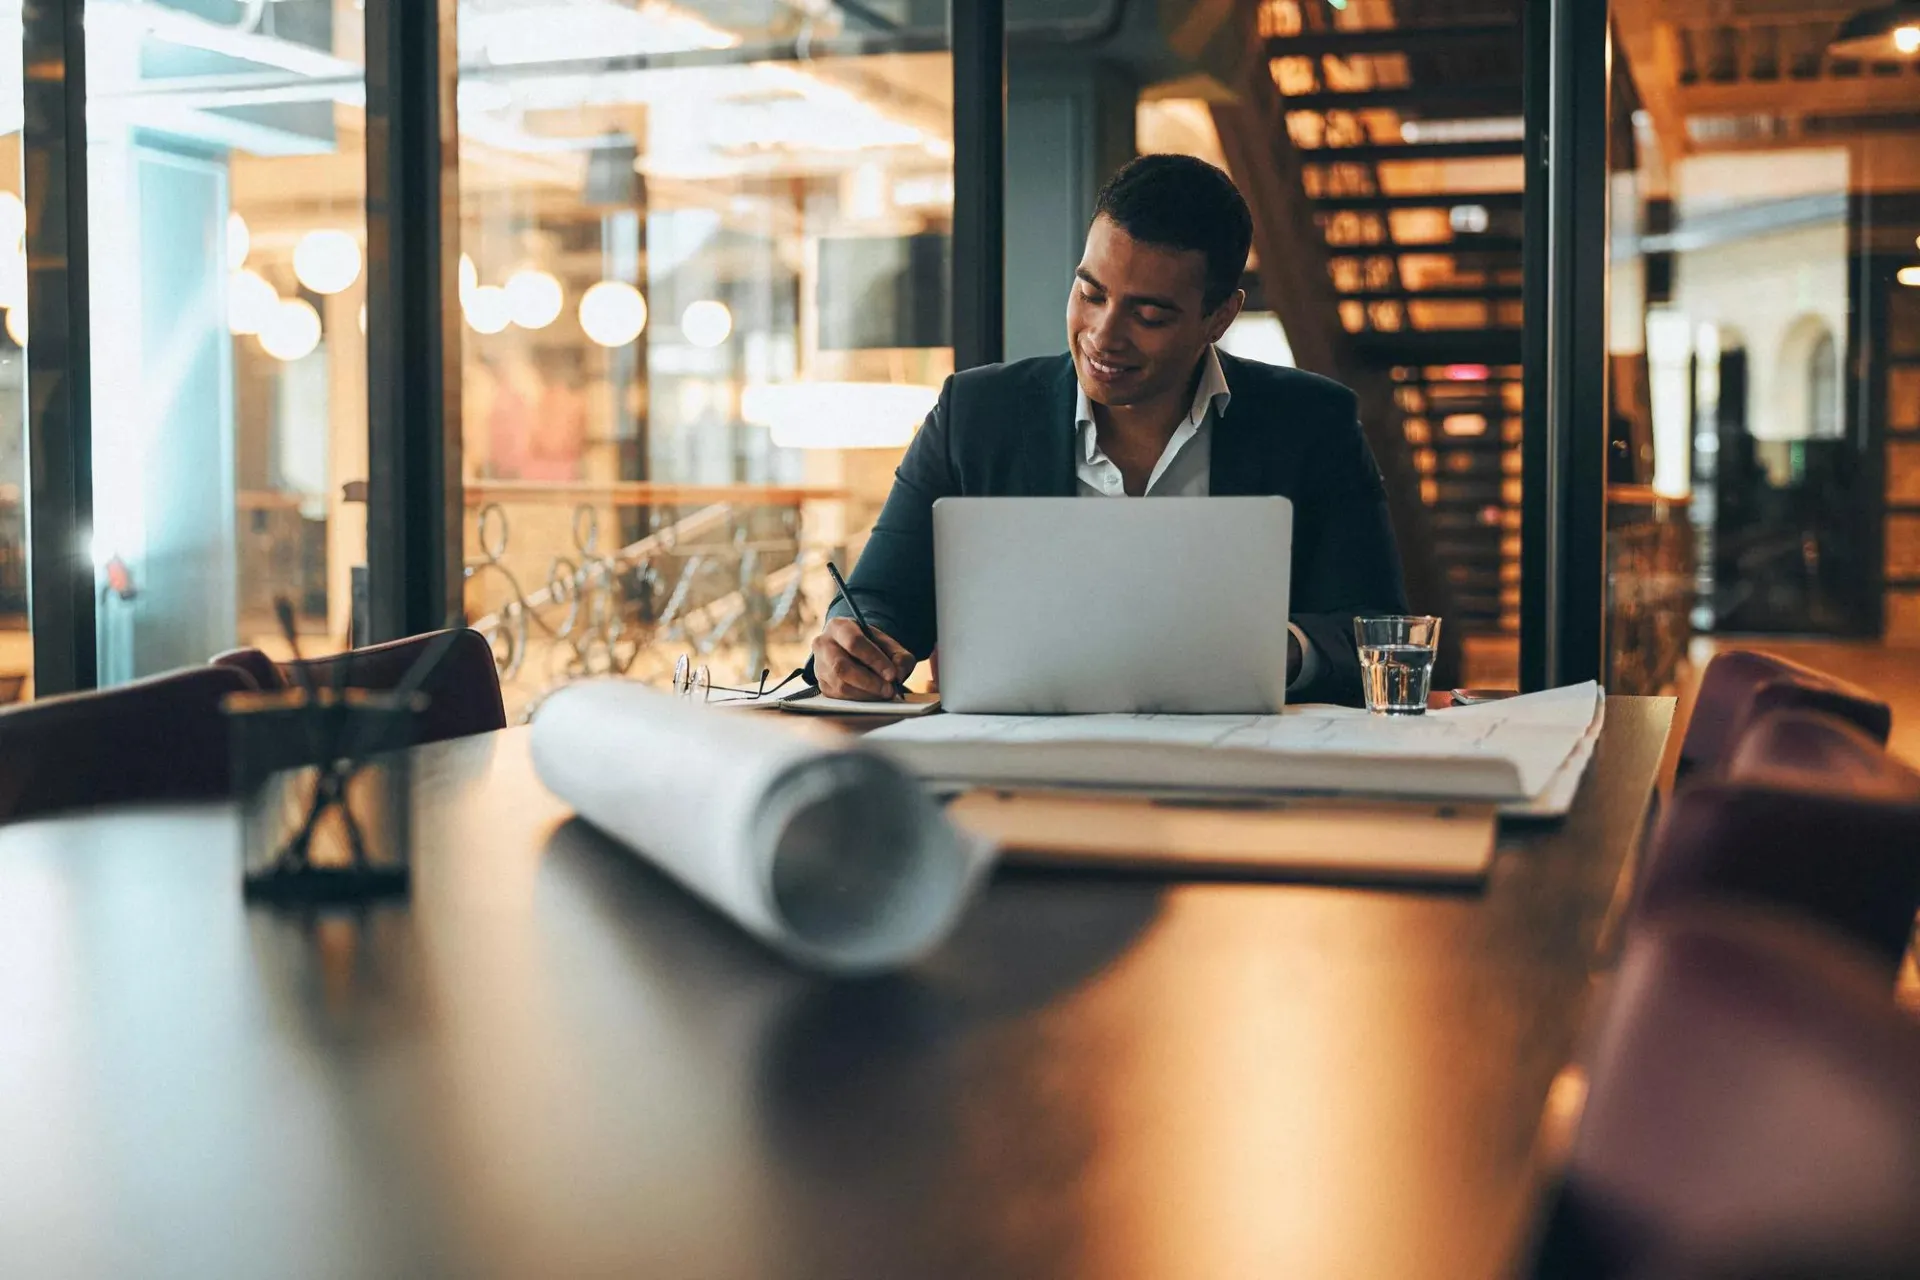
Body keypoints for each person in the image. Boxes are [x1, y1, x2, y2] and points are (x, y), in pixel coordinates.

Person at [810, 153, 1407, 707]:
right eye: (1090, 294)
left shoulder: (1312, 423)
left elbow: (1377, 630)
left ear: (1220, 317)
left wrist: (1276, 651)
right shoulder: (974, 415)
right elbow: (880, 599)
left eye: (1149, 315)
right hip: (1016, 764)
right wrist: (852, 645)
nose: (1103, 335)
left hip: (1236, 766)